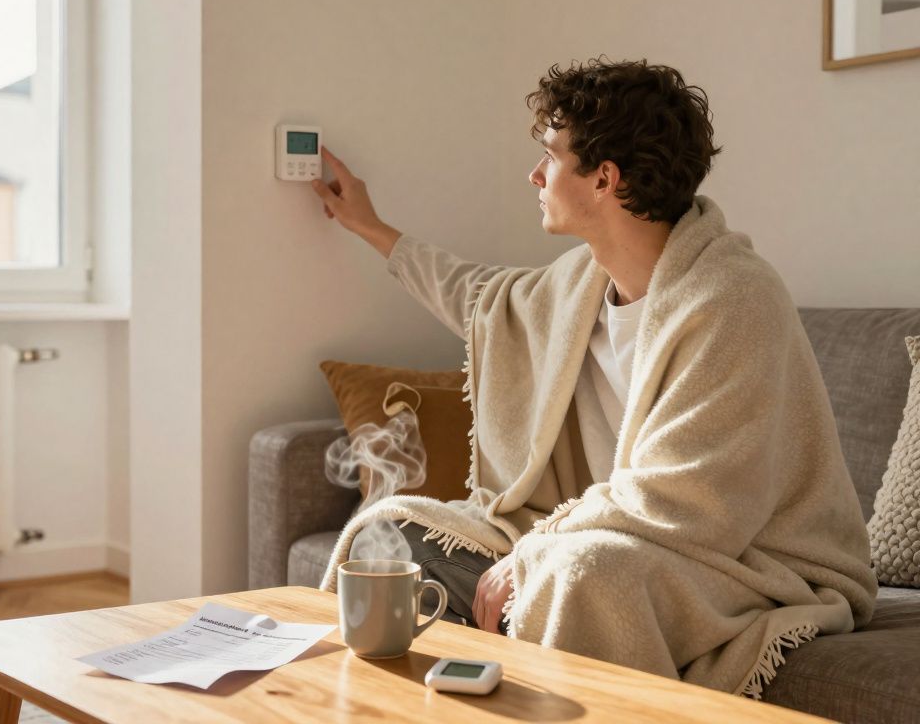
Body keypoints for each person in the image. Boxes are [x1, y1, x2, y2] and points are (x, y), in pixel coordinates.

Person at [308, 57, 874, 695]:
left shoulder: (735, 299)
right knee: (393, 537)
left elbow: (690, 502)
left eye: (549, 155)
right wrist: (370, 226)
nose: (535, 174)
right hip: (609, 534)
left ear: (604, 178)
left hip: (742, 559)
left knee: (586, 574)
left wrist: (535, 552)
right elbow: (481, 300)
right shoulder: (579, 283)